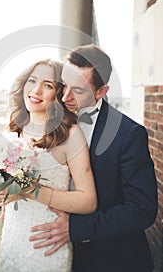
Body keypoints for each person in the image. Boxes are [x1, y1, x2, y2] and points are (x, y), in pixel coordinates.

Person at [28, 45, 158, 272]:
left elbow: (142, 210)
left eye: (77, 90)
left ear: (101, 92)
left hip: (111, 260)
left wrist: (76, 228)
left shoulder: (128, 134)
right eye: (64, 85)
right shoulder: (44, 117)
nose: (65, 96)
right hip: (48, 253)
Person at [0, 58, 97, 272]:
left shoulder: (70, 135)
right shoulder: (12, 130)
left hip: (46, 244)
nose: (36, 90)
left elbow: (88, 201)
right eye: (32, 80)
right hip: (11, 239)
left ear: (58, 94)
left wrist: (27, 189)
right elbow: (2, 181)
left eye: (48, 85)